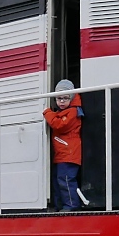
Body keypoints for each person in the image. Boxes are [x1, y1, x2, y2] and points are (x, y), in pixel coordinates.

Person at [43, 79, 84, 211]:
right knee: (58, 180)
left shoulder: (73, 112)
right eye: (58, 98)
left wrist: (47, 112)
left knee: (66, 180)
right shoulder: (64, 112)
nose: (61, 101)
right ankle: (59, 206)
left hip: (69, 154)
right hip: (63, 154)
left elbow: (59, 125)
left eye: (65, 98)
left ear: (71, 98)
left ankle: (71, 206)